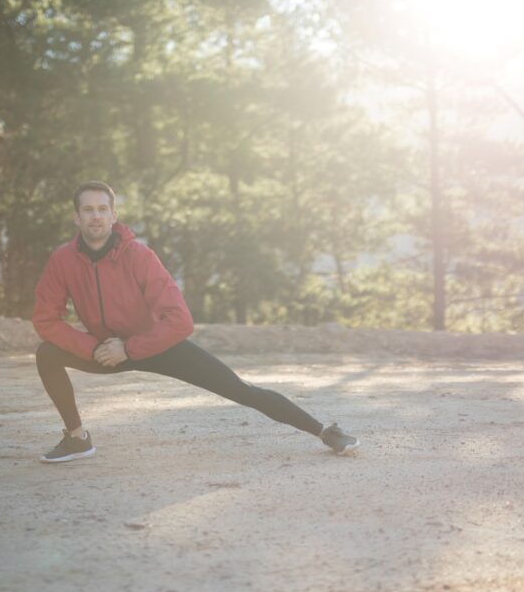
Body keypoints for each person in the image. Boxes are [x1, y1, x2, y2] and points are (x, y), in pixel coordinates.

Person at [32, 180, 360, 463]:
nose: (96, 216)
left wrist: (130, 348)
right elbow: (46, 320)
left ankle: (325, 432)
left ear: (114, 215)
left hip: (158, 346)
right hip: (105, 350)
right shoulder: (63, 260)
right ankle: (76, 438)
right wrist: (93, 348)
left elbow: (180, 321)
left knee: (241, 390)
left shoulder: (139, 256)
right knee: (47, 353)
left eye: (103, 209)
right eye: (88, 210)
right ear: (76, 217)